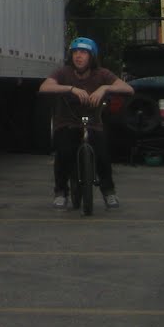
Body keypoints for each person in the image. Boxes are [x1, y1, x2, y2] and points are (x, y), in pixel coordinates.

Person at [39, 37, 132, 210]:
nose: (78, 56)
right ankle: (61, 192)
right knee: (63, 152)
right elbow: (44, 87)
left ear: (92, 56)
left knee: (103, 154)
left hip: (92, 123)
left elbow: (128, 89)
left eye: (83, 52)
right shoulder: (63, 73)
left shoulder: (102, 74)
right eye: (75, 52)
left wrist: (104, 88)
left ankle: (108, 191)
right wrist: (70, 89)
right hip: (67, 123)